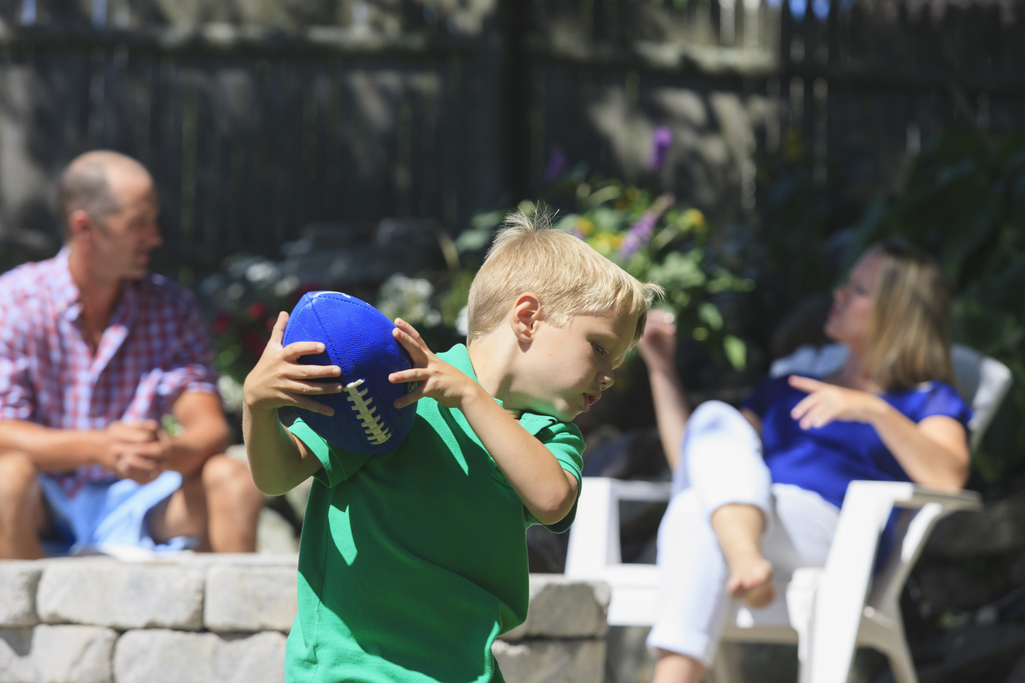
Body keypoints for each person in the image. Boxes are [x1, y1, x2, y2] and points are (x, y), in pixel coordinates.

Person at [243, 208, 663, 683]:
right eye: (601, 348)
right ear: (527, 319)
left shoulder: (549, 433)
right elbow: (276, 477)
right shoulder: (396, 391)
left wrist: (469, 396)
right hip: (354, 669)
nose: (608, 376)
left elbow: (551, 500)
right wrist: (256, 407)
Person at [637, 240, 972, 683]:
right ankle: (744, 558)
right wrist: (661, 368)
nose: (839, 294)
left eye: (859, 290)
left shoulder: (923, 399)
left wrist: (873, 410)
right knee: (713, 423)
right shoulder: (791, 385)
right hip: (755, 516)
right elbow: (693, 463)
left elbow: (948, 476)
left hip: (834, 533)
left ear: (898, 312)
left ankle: (741, 559)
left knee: (694, 510)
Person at [0, 150, 264, 559]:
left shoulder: (172, 307)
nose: (155, 237)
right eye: (138, 224)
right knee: (5, 480)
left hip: (144, 499)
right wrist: (98, 448)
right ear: (85, 227)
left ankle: (227, 624)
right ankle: (15, 623)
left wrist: (163, 453)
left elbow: (209, 428)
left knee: (234, 481)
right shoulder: (13, 302)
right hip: (43, 501)